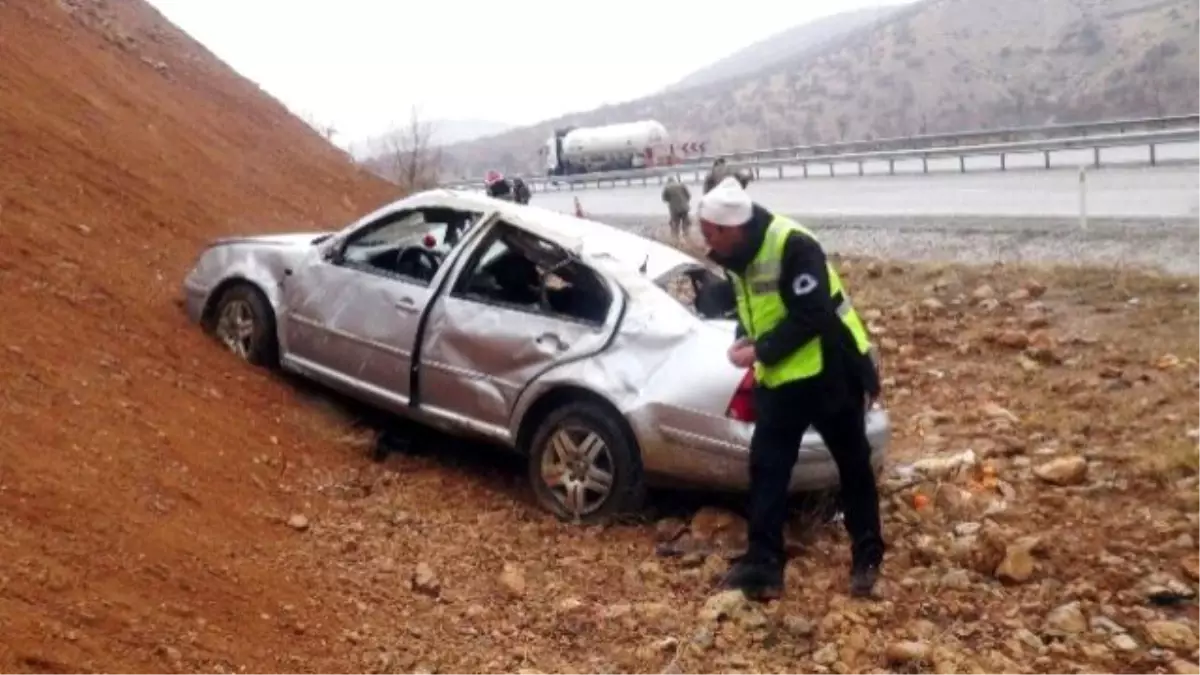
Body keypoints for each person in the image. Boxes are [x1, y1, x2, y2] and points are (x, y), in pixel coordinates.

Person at [697, 176, 885, 600]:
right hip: (781, 380)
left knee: (853, 466)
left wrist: (760, 349)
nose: (705, 241)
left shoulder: (793, 244)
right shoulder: (739, 255)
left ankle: (867, 559)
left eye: (710, 234)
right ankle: (763, 566)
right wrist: (746, 337)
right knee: (767, 470)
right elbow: (760, 306)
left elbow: (813, 314)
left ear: (732, 229)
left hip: (830, 372)